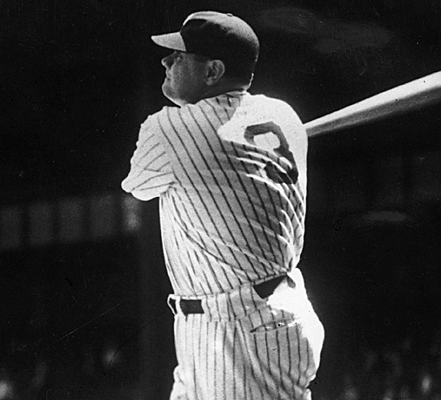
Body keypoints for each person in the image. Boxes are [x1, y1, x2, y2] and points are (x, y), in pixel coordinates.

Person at [122, 10, 324, 400]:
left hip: (239, 329)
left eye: (180, 56)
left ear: (213, 71)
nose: (167, 61)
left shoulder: (167, 129)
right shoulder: (284, 115)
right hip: (247, 320)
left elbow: (139, 187)